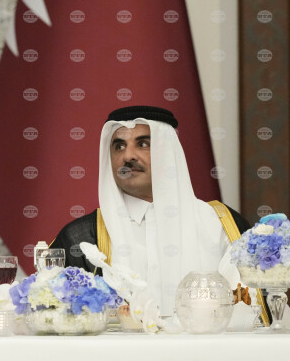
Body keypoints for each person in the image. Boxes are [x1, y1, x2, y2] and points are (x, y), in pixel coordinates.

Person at [50, 105, 251, 317]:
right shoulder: (80, 238)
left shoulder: (221, 225)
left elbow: (246, 314)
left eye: (143, 144)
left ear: (168, 151)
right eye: (119, 146)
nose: (128, 156)